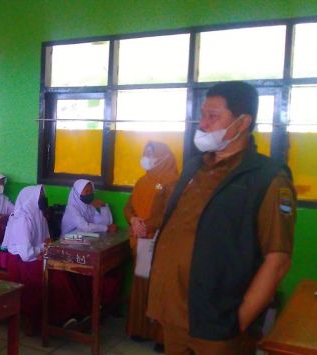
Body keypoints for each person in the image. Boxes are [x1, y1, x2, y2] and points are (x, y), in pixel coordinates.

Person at [146, 81, 296, 355]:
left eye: (212, 116)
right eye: (202, 114)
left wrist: (237, 322)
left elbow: (278, 260)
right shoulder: (194, 166)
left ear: (242, 122)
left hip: (219, 324)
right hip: (174, 313)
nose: (202, 124)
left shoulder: (267, 179)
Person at [2, 185, 88, 332]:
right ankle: (59, 318)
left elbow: (47, 240)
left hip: (35, 256)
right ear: (31, 199)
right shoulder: (22, 219)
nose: (43, 199)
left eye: (43, 196)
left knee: (68, 267)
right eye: (40, 197)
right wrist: (42, 248)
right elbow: (26, 253)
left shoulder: (39, 215)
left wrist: (44, 248)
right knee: (57, 273)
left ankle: (75, 311)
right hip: (20, 262)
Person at [123, 141, 179, 350]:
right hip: (142, 243)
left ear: (164, 157)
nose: (146, 157)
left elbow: (167, 214)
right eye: (145, 152)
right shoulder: (142, 181)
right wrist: (134, 220)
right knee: (141, 286)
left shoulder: (172, 182)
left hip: (160, 243)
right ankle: (140, 329)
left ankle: (161, 336)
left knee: (161, 290)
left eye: (151, 154)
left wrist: (145, 225)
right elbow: (129, 206)